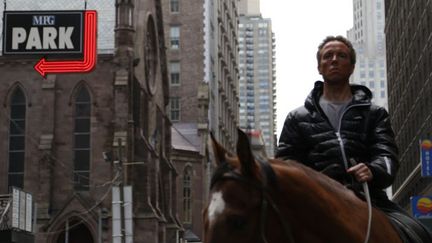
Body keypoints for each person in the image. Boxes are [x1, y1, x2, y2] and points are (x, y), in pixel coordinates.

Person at [276, 35, 432, 242]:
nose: (334, 59)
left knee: (418, 233)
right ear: (319, 67)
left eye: (341, 55)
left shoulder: (375, 114)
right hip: (315, 202)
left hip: (370, 200)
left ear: (351, 67)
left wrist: (372, 169)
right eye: (327, 56)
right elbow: (285, 164)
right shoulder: (297, 118)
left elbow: (387, 156)